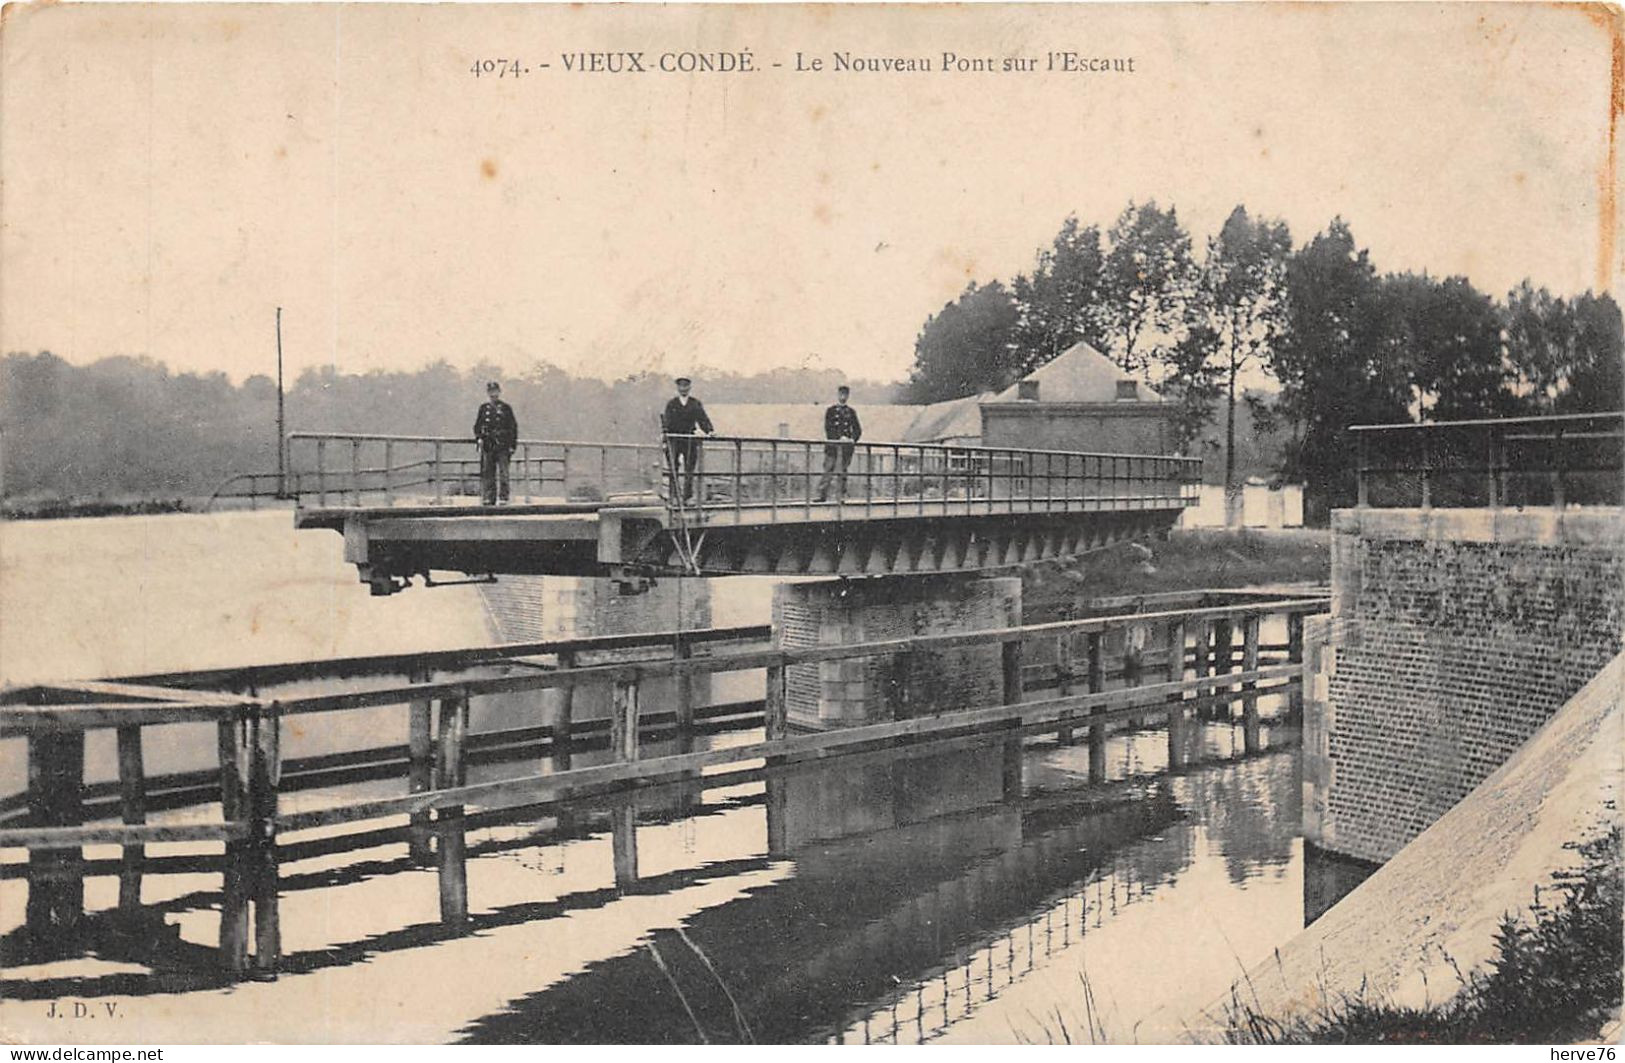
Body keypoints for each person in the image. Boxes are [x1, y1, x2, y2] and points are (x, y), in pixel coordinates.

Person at [661, 375, 714, 503]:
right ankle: (674, 495)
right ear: (678, 388)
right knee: (673, 467)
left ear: (689, 387)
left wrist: (710, 430)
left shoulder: (695, 403)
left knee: (689, 468)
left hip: (689, 439)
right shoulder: (672, 403)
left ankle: (687, 496)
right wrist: (665, 436)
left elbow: (702, 419)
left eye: (685, 386)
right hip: (674, 439)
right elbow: (667, 422)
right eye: (681, 386)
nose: (683, 388)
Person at [473, 380, 518, 505]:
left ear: (499, 392)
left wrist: (512, 445)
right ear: (488, 393)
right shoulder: (484, 408)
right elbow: (477, 426)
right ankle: (489, 497)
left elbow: (513, 427)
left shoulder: (505, 408)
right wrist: (479, 438)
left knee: (504, 473)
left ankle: (504, 497)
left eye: (495, 391)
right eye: (491, 392)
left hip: (503, 445)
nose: (493, 394)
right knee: (488, 473)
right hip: (488, 445)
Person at [817, 385, 862, 502]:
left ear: (848, 396)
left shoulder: (851, 412)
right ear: (837, 395)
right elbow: (828, 428)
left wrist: (852, 439)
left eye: (845, 395)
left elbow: (858, 429)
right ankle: (822, 495)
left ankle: (841, 496)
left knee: (843, 472)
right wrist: (838, 438)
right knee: (828, 469)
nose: (843, 397)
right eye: (841, 394)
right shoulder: (831, 411)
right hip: (832, 446)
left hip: (846, 447)